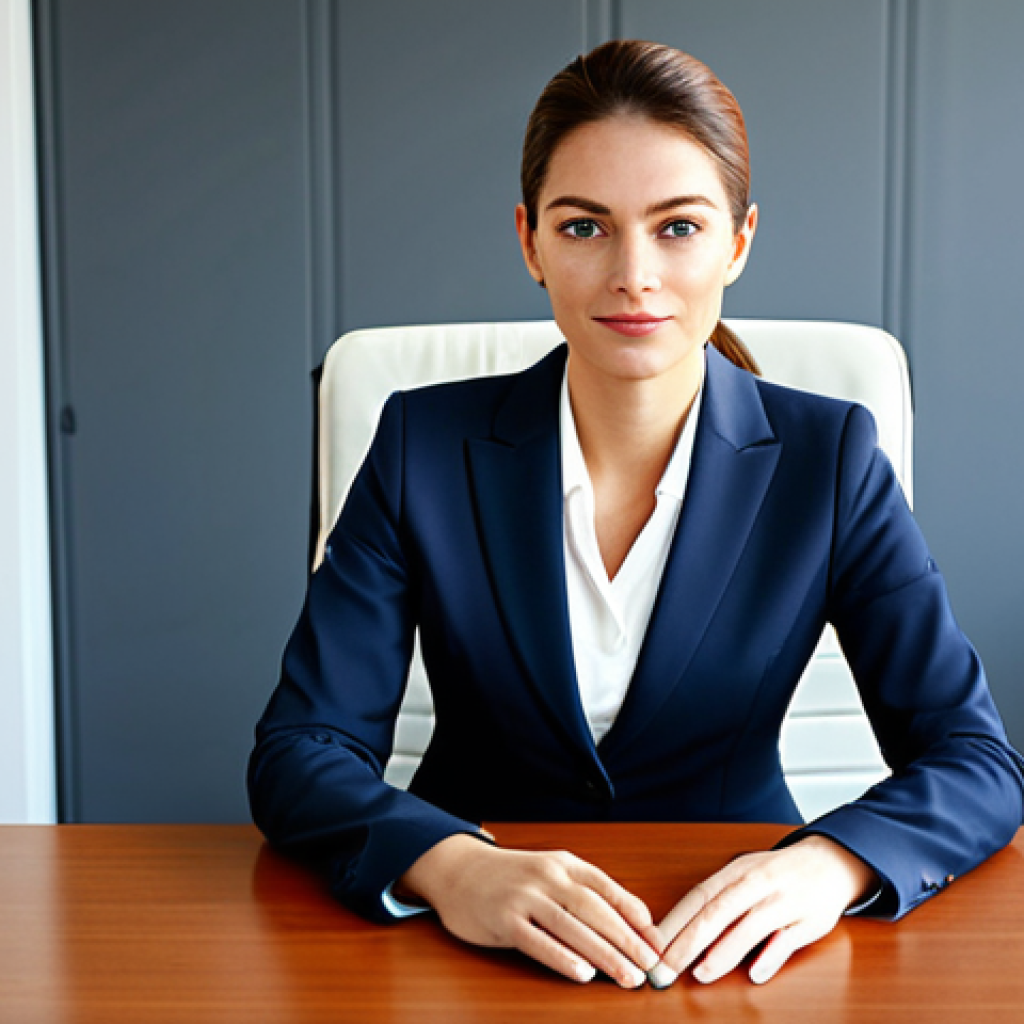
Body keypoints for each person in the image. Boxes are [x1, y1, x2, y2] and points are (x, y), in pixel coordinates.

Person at [248, 40, 1024, 989]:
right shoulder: (424, 443)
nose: (633, 274)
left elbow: (976, 761)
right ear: (530, 241)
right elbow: (301, 751)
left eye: (679, 227)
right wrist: (451, 866)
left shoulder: (832, 461)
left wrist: (830, 866)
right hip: (466, 942)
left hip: (732, 943)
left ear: (738, 241)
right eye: (585, 228)